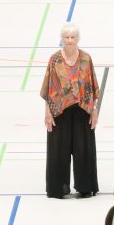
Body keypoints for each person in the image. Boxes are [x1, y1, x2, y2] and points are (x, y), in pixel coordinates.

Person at [40, 24, 100, 199]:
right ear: (62, 39)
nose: (70, 40)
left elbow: (93, 86)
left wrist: (94, 110)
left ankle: (85, 186)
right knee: (58, 150)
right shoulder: (55, 60)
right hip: (59, 111)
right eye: (67, 37)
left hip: (83, 110)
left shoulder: (86, 59)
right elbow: (48, 88)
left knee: (84, 149)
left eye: (73, 37)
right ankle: (58, 188)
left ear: (78, 39)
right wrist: (47, 112)